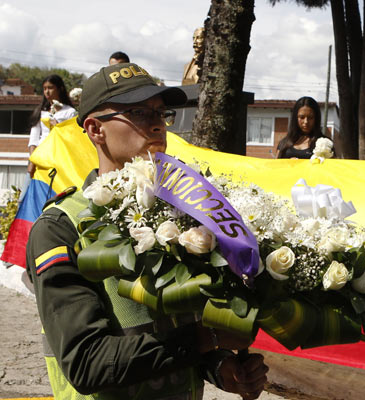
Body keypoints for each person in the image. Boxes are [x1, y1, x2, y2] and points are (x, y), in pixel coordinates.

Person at [26, 62, 268, 400]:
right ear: (96, 130)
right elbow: (86, 363)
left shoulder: (180, 214)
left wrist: (223, 368)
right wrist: (207, 338)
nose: (157, 124)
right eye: (138, 112)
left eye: (160, 112)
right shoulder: (61, 227)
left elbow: (177, 325)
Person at [27, 74, 77, 177]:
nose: (47, 91)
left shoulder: (70, 112)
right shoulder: (41, 112)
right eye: (44, 88)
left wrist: (59, 127)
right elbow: (34, 138)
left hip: (60, 158)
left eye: (50, 88)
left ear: (60, 89)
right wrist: (32, 160)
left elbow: (73, 138)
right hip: (40, 158)